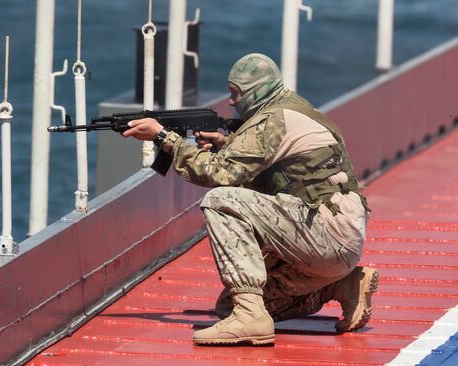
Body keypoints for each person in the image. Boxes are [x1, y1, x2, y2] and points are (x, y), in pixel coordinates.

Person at [122, 53, 378, 346]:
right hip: (333, 241)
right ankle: (341, 285)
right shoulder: (294, 109)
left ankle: (251, 319)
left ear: (255, 90)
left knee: (221, 200)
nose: (231, 102)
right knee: (228, 307)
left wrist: (164, 138)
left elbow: (218, 174)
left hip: (327, 237)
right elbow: (274, 175)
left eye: (236, 93)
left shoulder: (271, 120)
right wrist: (226, 144)